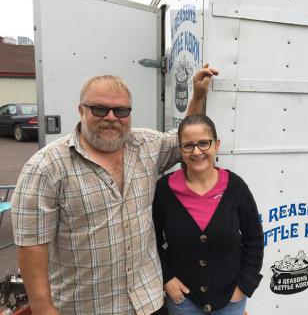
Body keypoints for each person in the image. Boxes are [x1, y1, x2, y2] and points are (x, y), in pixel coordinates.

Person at [11, 65, 218, 315]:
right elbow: (31, 245)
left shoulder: (146, 145)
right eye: (99, 109)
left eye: (121, 110)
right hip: (88, 307)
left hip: (149, 301)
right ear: (80, 110)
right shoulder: (45, 167)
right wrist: (43, 307)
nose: (111, 117)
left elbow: (183, 139)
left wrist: (197, 96)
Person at [152, 114, 264, 315]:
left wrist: (243, 288)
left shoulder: (235, 187)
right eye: (188, 145)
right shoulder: (164, 190)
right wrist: (166, 279)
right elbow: (151, 241)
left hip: (230, 301)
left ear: (216, 144)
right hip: (183, 303)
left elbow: (254, 240)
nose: (197, 152)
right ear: (180, 149)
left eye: (204, 143)